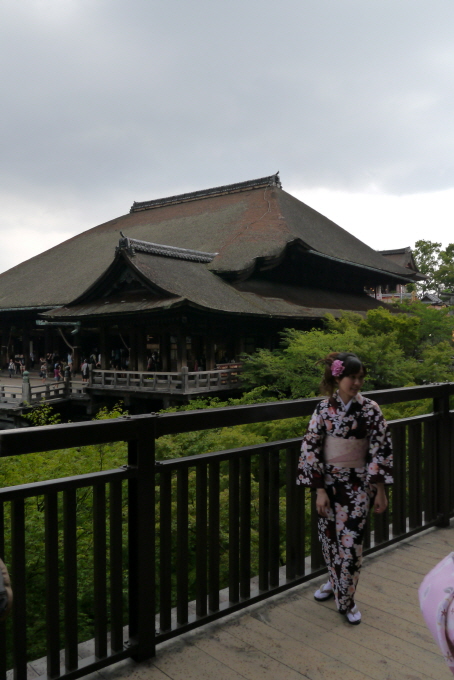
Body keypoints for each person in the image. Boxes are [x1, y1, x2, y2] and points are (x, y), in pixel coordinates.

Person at [297, 351, 393, 625]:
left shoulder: (371, 409)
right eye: (352, 377)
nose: (357, 383)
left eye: (360, 377)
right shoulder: (322, 409)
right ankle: (335, 581)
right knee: (329, 540)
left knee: (351, 544)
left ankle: (347, 600)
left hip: (358, 486)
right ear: (338, 378)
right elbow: (311, 447)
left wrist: (380, 490)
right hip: (328, 486)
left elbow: (379, 449)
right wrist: (319, 490)